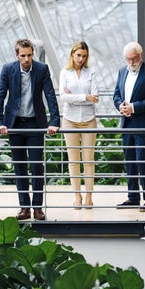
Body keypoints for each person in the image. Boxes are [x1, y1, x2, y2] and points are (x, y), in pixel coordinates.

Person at [0, 39, 60, 220]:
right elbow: (0, 95)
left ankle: (37, 207)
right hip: (14, 124)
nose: (26, 59)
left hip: (35, 124)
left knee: (37, 166)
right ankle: (25, 207)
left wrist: (54, 121)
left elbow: (50, 95)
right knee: (19, 166)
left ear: (33, 54)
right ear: (17, 55)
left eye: (29, 55)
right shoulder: (8, 69)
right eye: (22, 56)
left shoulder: (41, 69)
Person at [113, 41, 145, 209]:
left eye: (133, 59)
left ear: (140, 56)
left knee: (144, 163)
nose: (131, 63)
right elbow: (117, 95)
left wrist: (133, 107)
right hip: (127, 124)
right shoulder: (122, 72)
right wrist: (121, 106)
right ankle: (133, 197)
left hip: (143, 124)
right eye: (128, 59)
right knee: (130, 162)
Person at [59, 41, 99, 209]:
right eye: (78, 55)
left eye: (84, 56)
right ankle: (77, 196)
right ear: (72, 54)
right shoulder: (65, 72)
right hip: (70, 121)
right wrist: (85, 97)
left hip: (89, 120)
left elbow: (95, 97)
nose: (81, 59)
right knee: (73, 161)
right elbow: (63, 97)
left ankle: (89, 196)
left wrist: (74, 97)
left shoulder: (91, 72)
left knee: (88, 160)